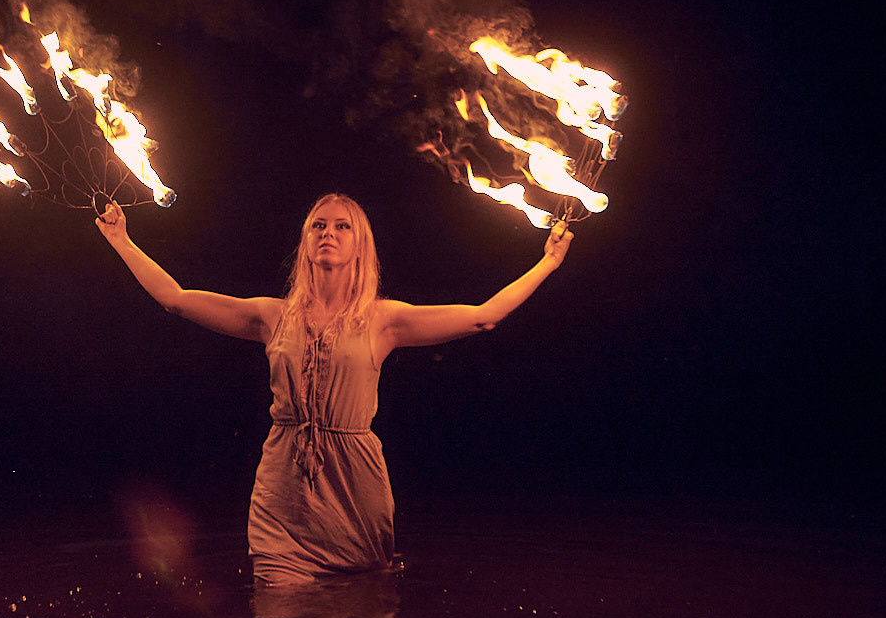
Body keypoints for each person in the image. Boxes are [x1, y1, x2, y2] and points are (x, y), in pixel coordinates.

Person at [96, 192, 572, 581]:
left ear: (359, 246)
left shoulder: (385, 321)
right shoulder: (271, 315)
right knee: (279, 617)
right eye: (318, 226)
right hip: (283, 480)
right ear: (304, 243)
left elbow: (483, 318)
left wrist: (548, 263)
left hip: (353, 482)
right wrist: (121, 240)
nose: (328, 233)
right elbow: (175, 300)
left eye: (342, 226)